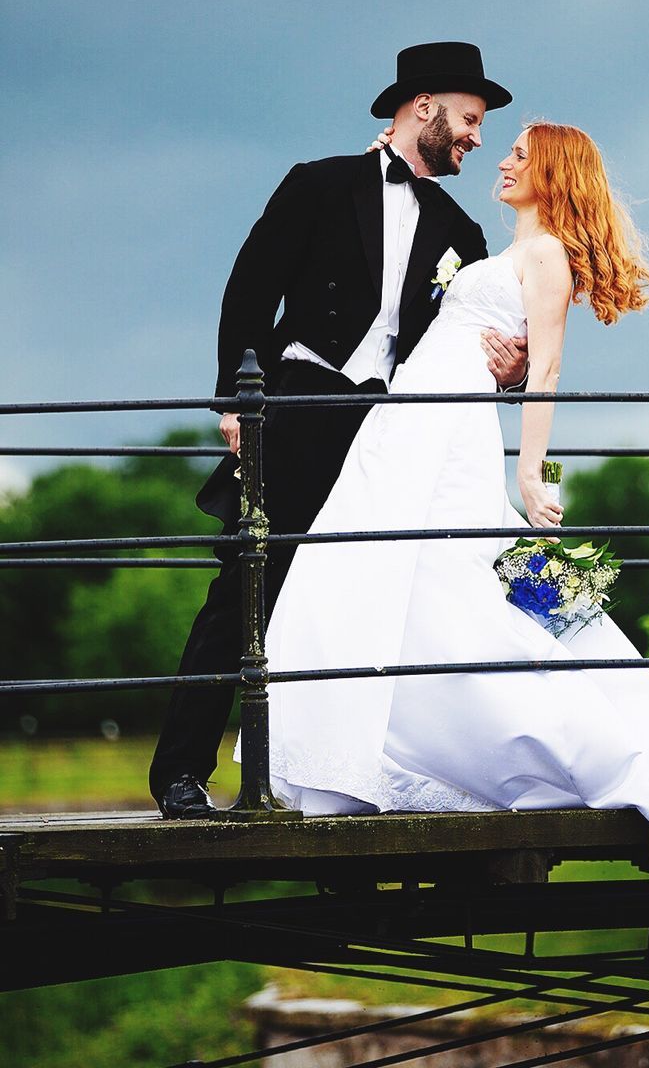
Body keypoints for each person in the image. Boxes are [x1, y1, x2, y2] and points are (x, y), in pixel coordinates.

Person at [257, 122, 649, 1047]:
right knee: (391, 572)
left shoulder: (548, 262)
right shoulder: (504, 250)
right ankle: (378, 746)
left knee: (466, 568)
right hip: (415, 423)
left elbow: (549, 368)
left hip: (445, 440)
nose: (500, 161)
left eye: (517, 153)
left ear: (550, 172)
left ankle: (562, 717)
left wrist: (531, 473)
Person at [150, 42, 527, 819]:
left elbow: (467, 346)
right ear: (421, 106)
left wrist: (512, 370)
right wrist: (237, 404)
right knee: (247, 589)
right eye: (469, 118)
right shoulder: (317, 184)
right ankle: (183, 773)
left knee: (375, 598)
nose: (476, 138)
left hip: (391, 431)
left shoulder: (462, 233)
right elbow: (248, 291)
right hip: (298, 410)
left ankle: (346, 782)